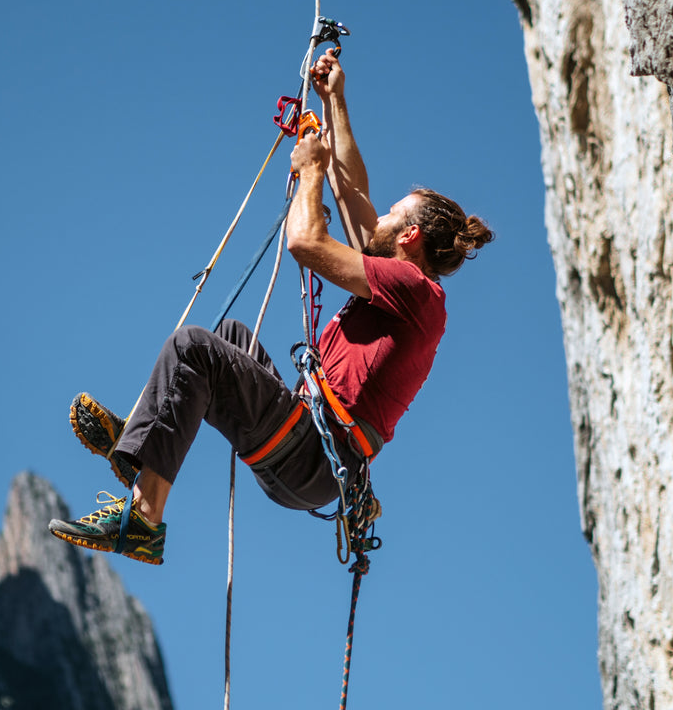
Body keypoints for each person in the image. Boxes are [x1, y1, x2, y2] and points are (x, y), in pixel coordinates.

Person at [49, 50, 494, 565]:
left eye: (394, 214)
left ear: (410, 236)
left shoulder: (416, 290)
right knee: (233, 336)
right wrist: (335, 101)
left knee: (193, 348)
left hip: (315, 453)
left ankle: (144, 520)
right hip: (313, 448)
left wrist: (309, 173)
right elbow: (353, 192)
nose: (381, 217)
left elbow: (305, 242)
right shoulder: (405, 285)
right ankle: (141, 442)